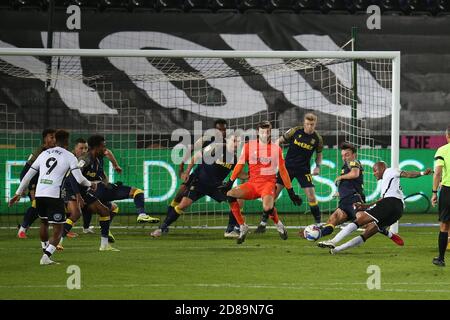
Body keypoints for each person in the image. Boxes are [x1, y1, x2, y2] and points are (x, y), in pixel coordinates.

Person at [9, 129, 95, 265]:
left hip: (40, 194)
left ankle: (45, 249)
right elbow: (79, 178)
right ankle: (46, 257)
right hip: (54, 196)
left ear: (55, 140)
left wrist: (17, 193)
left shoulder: (43, 154)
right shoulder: (69, 156)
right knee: (59, 229)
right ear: (67, 141)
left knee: (43, 222)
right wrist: (91, 184)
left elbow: (27, 176)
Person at [317, 161, 432, 254]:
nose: (374, 173)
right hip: (398, 211)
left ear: (382, 168)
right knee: (368, 233)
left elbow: (407, 174)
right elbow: (382, 200)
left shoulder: (390, 171)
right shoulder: (388, 183)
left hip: (390, 203)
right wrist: (366, 206)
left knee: (359, 221)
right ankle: (337, 250)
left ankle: (333, 241)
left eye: (375, 170)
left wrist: (422, 173)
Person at [223, 121, 302, 244]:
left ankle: (278, 224)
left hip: (268, 184)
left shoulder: (276, 149)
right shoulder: (249, 146)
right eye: (262, 131)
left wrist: (290, 191)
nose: (265, 134)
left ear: (271, 132)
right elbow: (240, 164)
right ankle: (242, 226)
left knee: (267, 207)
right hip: (252, 184)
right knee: (230, 194)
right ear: (258, 132)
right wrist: (230, 181)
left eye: (268, 131)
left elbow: (283, 170)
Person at [151, 135, 245, 238]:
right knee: (183, 204)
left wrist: (252, 174)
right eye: (234, 141)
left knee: (238, 198)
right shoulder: (216, 147)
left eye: (239, 142)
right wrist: (187, 171)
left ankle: (230, 230)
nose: (236, 144)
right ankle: (162, 228)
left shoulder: (235, 158)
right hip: (200, 182)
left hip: (215, 186)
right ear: (227, 141)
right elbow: (196, 156)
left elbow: (239, 174)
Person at [311, 142, 403, 246]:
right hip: (344, 201)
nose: (344, 158)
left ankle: (389, 234)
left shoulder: (354, 162)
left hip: (354, 199)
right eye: (342, 155)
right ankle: (316, 235)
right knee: (332, 220)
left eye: (347, 155)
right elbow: (349, 183)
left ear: (354, 155)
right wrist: (340, 192)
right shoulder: (345, 166)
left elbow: (355, 174)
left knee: (366, 223)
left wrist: (340, 177)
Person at [255, 113, 322, 233]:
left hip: (303, 170)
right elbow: (278, 141)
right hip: (286, 168)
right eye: (307, 124)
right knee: (273, 195)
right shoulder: (295, 131)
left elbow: (319, 154)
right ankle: (263, 223)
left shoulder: (317, 138)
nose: (309, 127)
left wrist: (317, 166)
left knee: (311, 196)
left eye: (312, 124)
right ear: (304, 123)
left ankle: (319, 224)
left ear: (315, 124)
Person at [17, 128, 56, 238]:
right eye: (51, 137)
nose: (54, 139)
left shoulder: (56, 151)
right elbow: (26, 171)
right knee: (36, 205)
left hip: (46, 184)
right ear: (45, 139)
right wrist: (27, 187)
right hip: (34, 183)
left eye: (55, 137)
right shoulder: (39, 152)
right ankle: (22, 230)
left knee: (57, 205)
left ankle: (63, 229)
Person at [431, 125, 450, 266]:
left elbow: (437, 172)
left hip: (447, 191)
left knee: (444, 225)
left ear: (447, 136)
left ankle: (441, 259)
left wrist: (434, 192)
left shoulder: (442, 150)